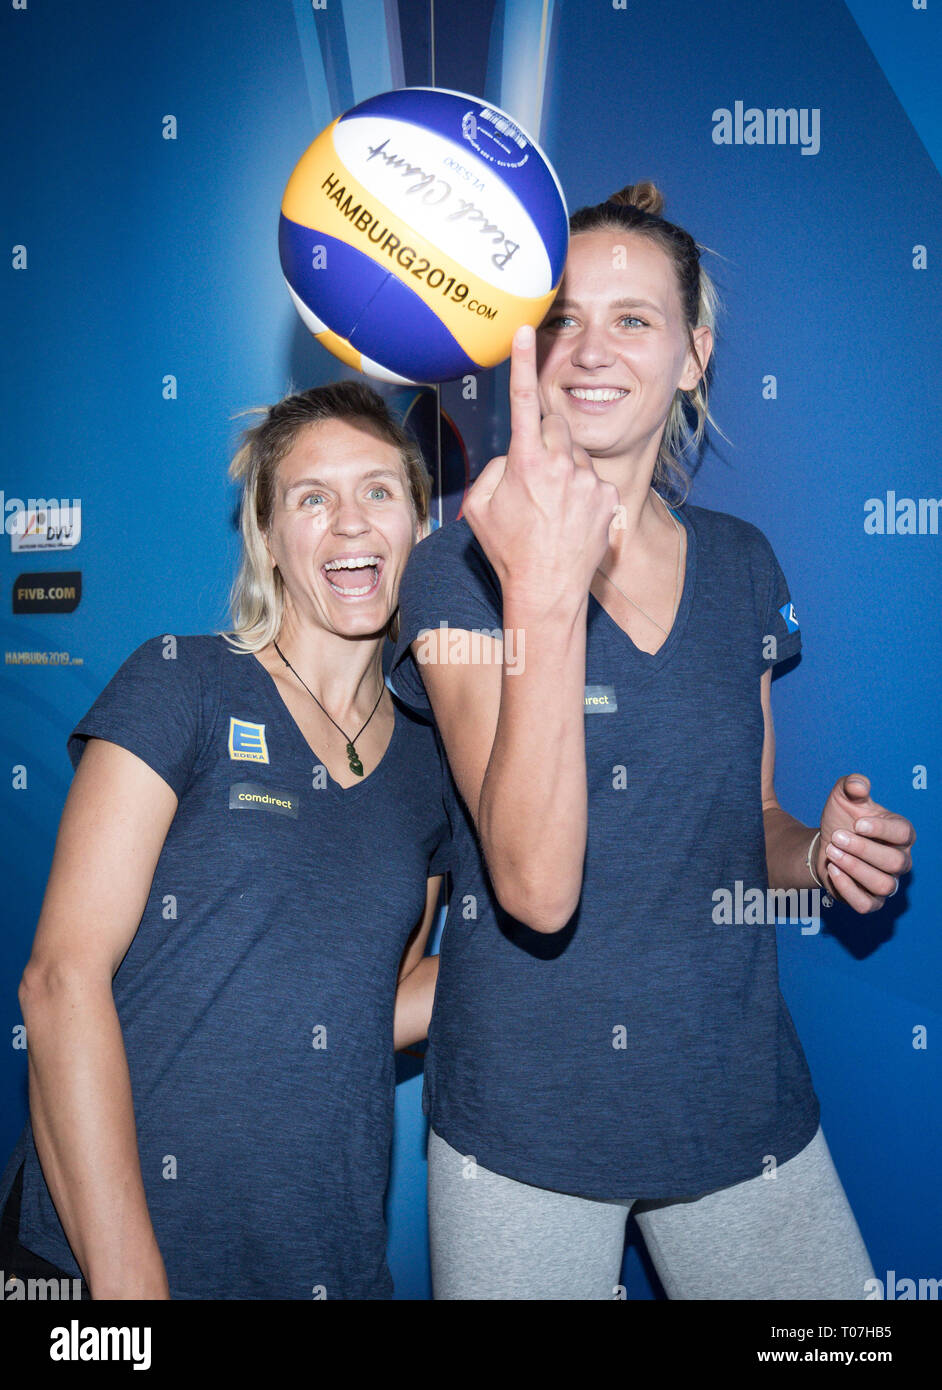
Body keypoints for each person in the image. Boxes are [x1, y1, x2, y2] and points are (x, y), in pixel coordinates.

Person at [389, 183, 916, 1300]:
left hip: (736, 1100)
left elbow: (749, 828)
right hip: (524, 1124)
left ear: (693, 356)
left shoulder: (743, 563)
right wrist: (541, 586)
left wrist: (817, 850)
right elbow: (533, 887)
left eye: (633, 319)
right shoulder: (456, 567)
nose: (591, 350)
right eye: (564, 319)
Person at [0, 380, 451, 1300]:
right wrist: (129, 1282)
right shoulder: (184, 682)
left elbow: (383, 999)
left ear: (418, 523)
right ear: (268, 538)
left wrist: (555, 969)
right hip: (103, 1261)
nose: (350, 522)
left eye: (378, 490)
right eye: (311, 498)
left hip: (319, 1257)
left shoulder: (430, 760)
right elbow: (59, 981)